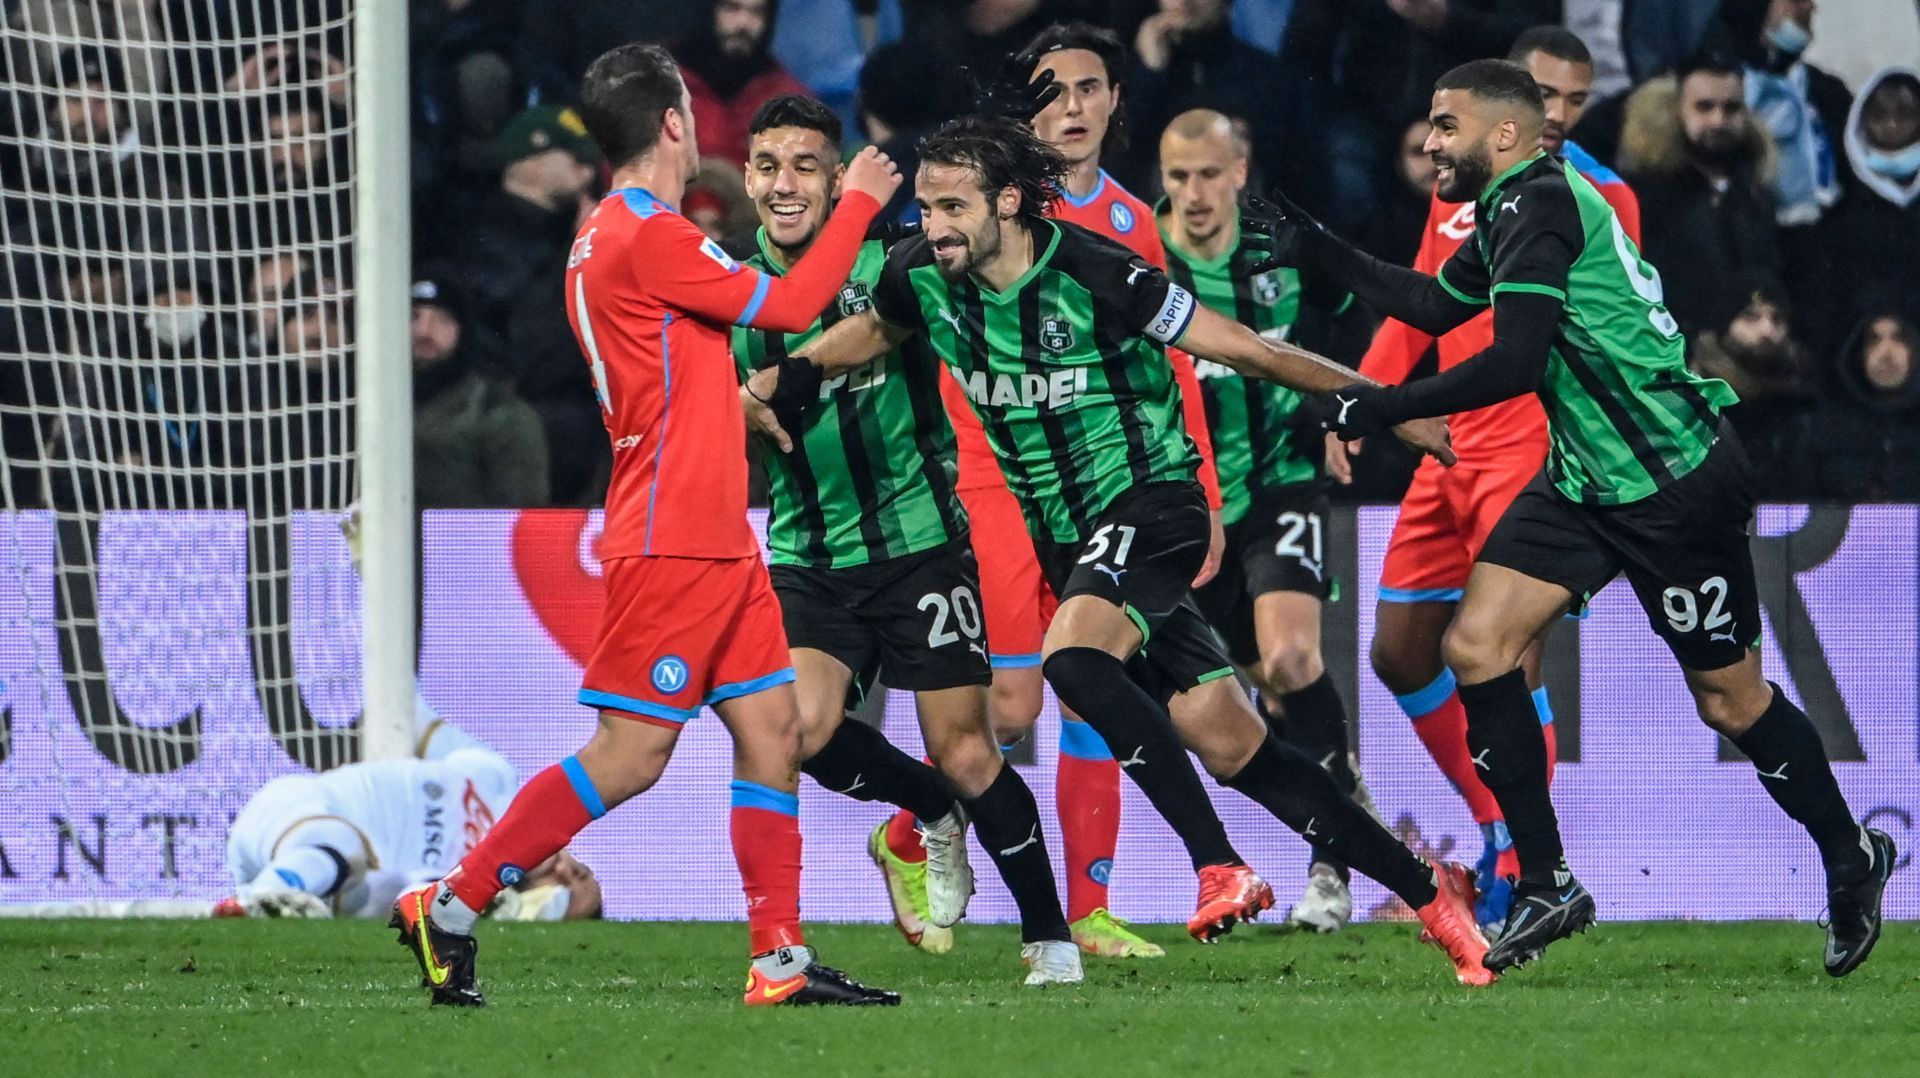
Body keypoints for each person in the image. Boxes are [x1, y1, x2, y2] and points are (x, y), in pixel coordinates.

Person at [746, 113, 1498, 987]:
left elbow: (1247, 347)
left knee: (1071, 658)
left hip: (1155, 504)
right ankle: (1435, 898)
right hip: (1077, 547)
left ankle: (1218, 866)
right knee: (1236, 748)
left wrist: (1388, 404)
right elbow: (875, 329)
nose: (933, 225)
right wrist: (788, 375)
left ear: (1011, 203)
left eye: (953, 206)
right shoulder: (923, 274)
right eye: (924, 205)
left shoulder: (1101, 274)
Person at [1295, 57, 1895, 974]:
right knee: (1475, 648)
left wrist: (1378, 408)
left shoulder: (1540, 205)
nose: (1429, 142)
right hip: (1582, 480)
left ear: (1503, 133)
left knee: (1730, 701)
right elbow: (1427, 302)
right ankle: (1547, 881)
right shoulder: (1508, 206)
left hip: (1672, 482)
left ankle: (1851, 860)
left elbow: (1515, 362)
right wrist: (1315, 244)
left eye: (1445, 125)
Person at [388, 42, 905, 1009]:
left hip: (710, 531)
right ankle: (450, 904)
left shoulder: (607, 235)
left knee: (773, 729)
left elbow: (664, 359)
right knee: (631, 756)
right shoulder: (647, 232)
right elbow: (794, 302)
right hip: (672, 535)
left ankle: (778, 960)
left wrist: (727, 406)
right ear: (677, 123)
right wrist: (864, 198)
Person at [873, 24, 1227, 962]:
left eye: (1087, 88)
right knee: (1017, 706)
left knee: (1091, 684)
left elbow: (1174, 364)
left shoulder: (1130, 222)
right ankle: (912, 828)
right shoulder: (962, 214)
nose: (1070, 107)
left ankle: (1090, 908)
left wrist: (1207, 495)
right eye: (1050, 92)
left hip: (1108, 490)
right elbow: (898, 325)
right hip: (993, 480)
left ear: (1115, 101)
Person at [731, 94, 1081, 985]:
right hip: (807, 554)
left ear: (839, 179)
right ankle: (929, 810)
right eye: (769, 165)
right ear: (746, 179)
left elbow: (999, 255)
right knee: (799, 732)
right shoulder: (728, 298)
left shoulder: (905, 268)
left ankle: (1050, 938)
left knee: (971, 746)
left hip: (921, 544)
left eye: (807, 165)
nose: (785, 183)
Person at [1344, 25, 1642, 933]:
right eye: (1544, 95)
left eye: (1577, 102)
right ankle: (1494, 821)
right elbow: (1431, 288)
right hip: (1451, 435)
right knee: (1399, 650)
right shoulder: (1470, 177)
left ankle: (1520, 863)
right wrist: (1374, 390)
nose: (1558, 115)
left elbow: (1596, 328)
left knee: (1508, 654)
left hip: (1530, 437)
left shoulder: (1603, 195)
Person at [1157, 108, 1378, 933]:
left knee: (1290, 659)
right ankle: (1345, 791)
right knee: (1267, 702)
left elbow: (1351, 307)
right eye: (1177, 177)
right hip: (1194, 508)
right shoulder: (1146, 259)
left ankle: (1332, 870)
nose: (1194, 193)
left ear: (1241, 172)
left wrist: (1337, 414)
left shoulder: (1282, 245)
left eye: (1209, 174)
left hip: (1284, 479)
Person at [220, 701, 601, 922]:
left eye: (564, 886)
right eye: (579, 869)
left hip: (337, 889)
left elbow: (409, 893)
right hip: (297, 811)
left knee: (371, 889)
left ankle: (262, 905)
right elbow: (407, 706)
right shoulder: (496, 777)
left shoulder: (459, 884)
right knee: (344, 849)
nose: (565, 869)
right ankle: (267, 898)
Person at [1618, 53, 1782, 339]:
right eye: (1704, 107)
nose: (1718, 120)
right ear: (1678, 110)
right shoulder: (1643, 196)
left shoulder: (1758, 196)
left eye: (1731, 108)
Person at [408, 272, 551, 509]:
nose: (424, 331)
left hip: (466, 543)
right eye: (413, 317)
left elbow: (521, 518)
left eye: (442, 319)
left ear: (463, 330)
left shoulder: (498, 412)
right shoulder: (368, 406)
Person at [1804, 303, 1920, 500]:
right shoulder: (1825, 429)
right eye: (1873, 340)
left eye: (1900, 338)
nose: (1886, 353)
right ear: (1857, 352)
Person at [676, 0, 811, 166]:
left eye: (757, 12)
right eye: (731, 8)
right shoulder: (664, 87)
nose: (743, 24)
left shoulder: (789, 102)